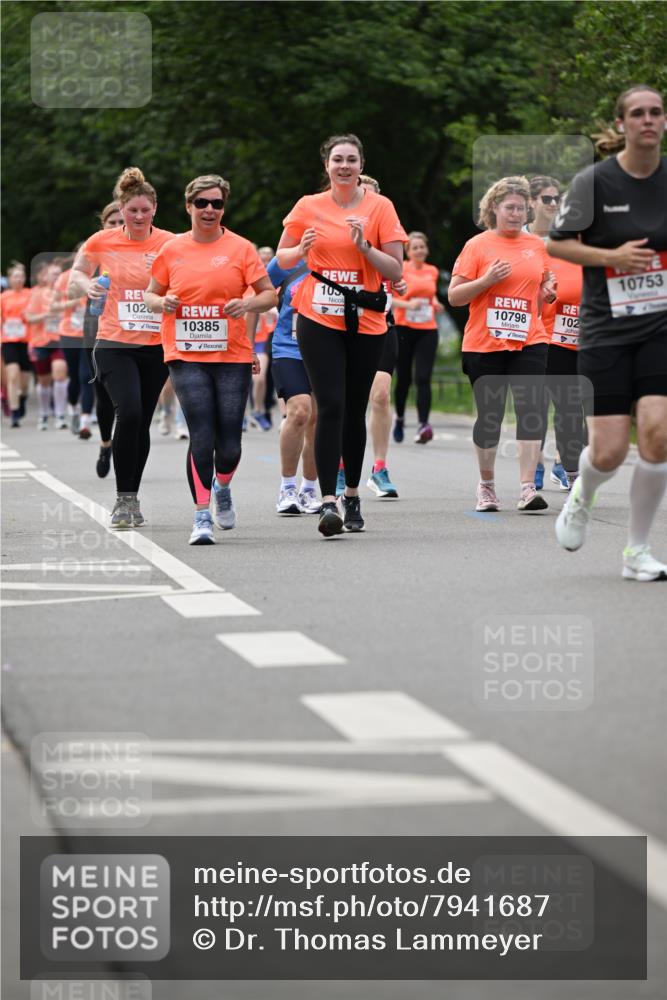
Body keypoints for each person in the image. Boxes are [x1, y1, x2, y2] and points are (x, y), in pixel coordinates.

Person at [548, 84, 667, 580]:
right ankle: (583, 493)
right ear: (621, 124)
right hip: (605, 330)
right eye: (637, 113)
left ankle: (636, 551)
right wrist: (611, 258)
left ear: (664, 121)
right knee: (611, 450)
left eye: (655, 112)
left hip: (660, 326)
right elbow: (557, 245)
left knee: (658, 435)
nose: (647, 120)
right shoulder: (594, 182)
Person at [277, 133, 406, 537]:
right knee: (328, 406)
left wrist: (366, 248)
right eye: (337, 159)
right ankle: (328, 502)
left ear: (361, 164)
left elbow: (397, 270)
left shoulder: (380, 206)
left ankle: (352, 495)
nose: (344, 166)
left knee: (352, 408)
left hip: (367, 320)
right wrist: (300, 250)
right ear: (327, 166)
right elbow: (282, 259)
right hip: (318, 316)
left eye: (351, 159)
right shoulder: (308, 206)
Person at [144, 174, 277, 544]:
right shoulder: (172, 250)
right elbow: (151, 295)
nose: (209, 210)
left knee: (230, 442)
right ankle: (201, 515)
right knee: (201, 431)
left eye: (216, 203)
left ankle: (222, 486)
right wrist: (163, 302)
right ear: (188, 206)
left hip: (231, 354)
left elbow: (269, 296)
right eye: (201, 203)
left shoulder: (241, 249)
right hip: (185, 354)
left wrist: (247, 302)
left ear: (224, 208)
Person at [68, 167, 174, 528]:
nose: (139, 217)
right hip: (113, 341)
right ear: (122, 210)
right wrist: (87, 285)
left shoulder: (170, 244)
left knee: (141, 421)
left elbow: (188, 284)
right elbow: (76, 275)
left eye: (145, 210)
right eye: (132, 211)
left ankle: (131, 498)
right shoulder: (102, 240)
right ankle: (123, 500)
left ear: (155, 208)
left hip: (156, 344)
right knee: (127, 413)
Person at [448, 175, 557, 512]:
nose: (515, 214)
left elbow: (544, 284)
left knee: (531, 412)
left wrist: (547, 292)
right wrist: (485, 280)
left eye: (521, 209)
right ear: (494, 207)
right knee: (490, 417)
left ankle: (527, 488)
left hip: (530, 339)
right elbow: (454, 296)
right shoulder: (477, 245)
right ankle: (487, 486)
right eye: (509, 207)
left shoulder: (538, 246)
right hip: (484, 343)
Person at [525, 176, 585, 491]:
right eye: (547, 199)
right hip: (544, 336)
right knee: (538, 405)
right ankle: (534, 466)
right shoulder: (535, 246)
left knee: (571, 408)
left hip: (579, 339)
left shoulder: (584, 247)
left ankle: (567, 466)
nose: (554, 205)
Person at [265, 252, 321, 515]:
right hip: (288, 348)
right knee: (299, 411)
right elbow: (257, 293)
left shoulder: (344, 257)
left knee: (317, 419)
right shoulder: (286, 260)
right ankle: (287, 487)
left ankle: (309, 489)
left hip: (327, 350)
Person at [81, 201, 123, 476]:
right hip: (97, 324)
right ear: (103, 226)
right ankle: (106, 442)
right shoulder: (96, 249)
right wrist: (88, 285)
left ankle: (126, 445)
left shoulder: (145, 250)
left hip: (134, 330)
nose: (119, 227)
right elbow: (75, 279)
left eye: (123, 222)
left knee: (132, 400)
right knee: (103, 393)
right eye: (112, 222)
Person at [392, 231, 444, 445]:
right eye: (415, 248)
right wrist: (407, 305)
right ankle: (400, 418)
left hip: (427, 328)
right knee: (404, 378)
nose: (420, 251)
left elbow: (429, 293)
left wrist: (435, 302)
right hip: (404, 328)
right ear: (408, 252)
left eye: (422, 247)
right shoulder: (400, 268)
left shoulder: (432, 271)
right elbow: (391, 299)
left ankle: (424, 425)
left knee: (423, 377)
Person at [25, 261, 69, 430]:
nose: (56, 277)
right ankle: (43, 413)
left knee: (60, 373)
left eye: (59, 273)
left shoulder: (67, 293)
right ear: (45, 277)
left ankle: (60, 414)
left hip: (60, 339)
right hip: (41, 341)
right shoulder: (38, 294)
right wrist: (46, 315)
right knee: (44, 380)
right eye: (53, 274)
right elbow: (29, 318)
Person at [54, 250, 92, 437]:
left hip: (90, 333)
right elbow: (53, 306)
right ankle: (73, 406)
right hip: (69, 332)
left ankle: (85, 421)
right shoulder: (64, 278)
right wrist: (75, 302)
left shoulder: (99, 275)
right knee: (75, 377)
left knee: (87, 376)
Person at [248, 245, 278, 431]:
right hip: (239, 338)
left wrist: (270, 311)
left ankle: (258, 410)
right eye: (263, 257)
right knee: (241, 381)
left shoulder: (274, 277)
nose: (266, 261)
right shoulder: (248, 277)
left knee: (260, 378)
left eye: (269, 258)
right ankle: (242, 416)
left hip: (263, 338)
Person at [0, 263, 32, 427]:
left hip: (26, 341)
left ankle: (23, 398)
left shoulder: (30, 294)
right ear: (10, 279)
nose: (19, 279)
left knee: (25, 382)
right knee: (12, 376)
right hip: (8, 341)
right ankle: (14, 413)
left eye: (21, 276)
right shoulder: (3, 297)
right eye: (15, 276)